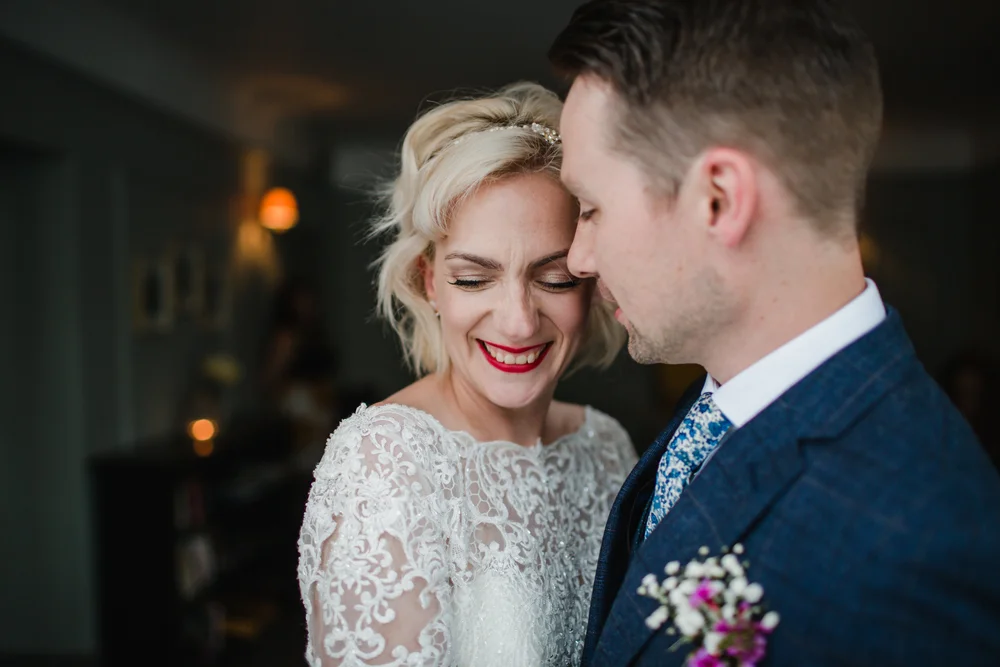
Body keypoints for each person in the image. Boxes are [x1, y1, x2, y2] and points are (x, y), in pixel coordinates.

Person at [548, 1, 1000, 665]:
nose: (579, 257)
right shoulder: (721, 397)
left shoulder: (925, 543)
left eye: (591, 209)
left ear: (719, 200)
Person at [296, 82, 636, 667]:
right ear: (429, 281)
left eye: (553, 279)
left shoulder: (607, 448)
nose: (518, 321)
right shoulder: (383, 463)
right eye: (474, 278)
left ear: (591, 278)